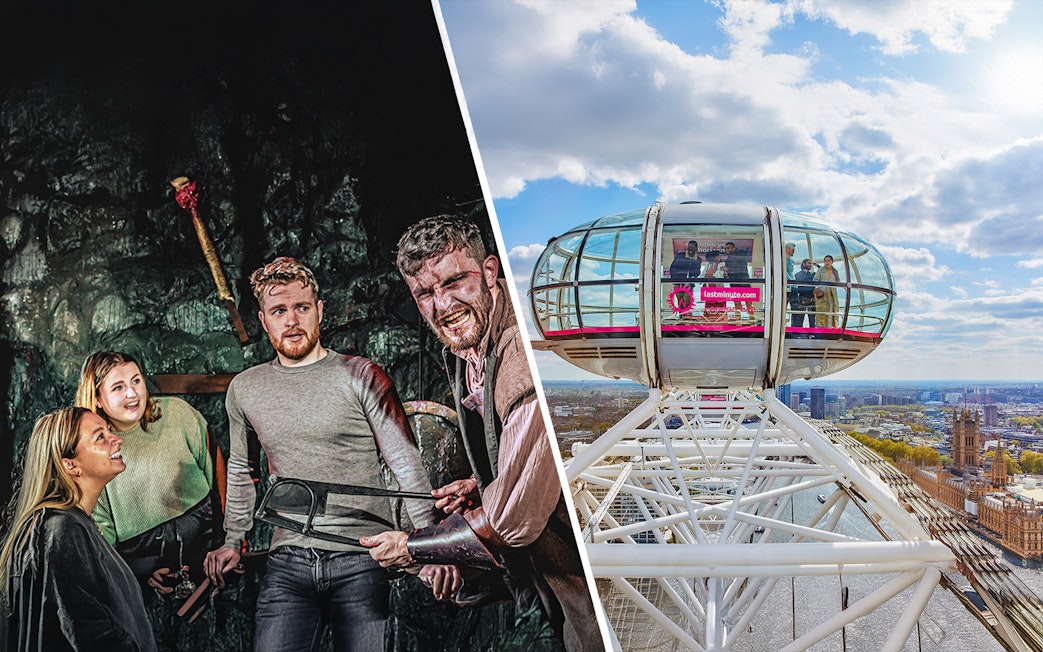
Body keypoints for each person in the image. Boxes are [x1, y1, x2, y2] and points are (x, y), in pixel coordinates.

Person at [361, 216, 602, 652]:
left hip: (590, 584)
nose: (442, 304)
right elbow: (524, 458)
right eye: (425, 293)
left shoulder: (519, 355)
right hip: (553, 574)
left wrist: (418, 548)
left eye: (454, 281)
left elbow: (513, 515)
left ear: (489, 271)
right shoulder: (465, 343)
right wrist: (480, 485)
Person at [203, 256, 438, 652]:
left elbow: (404, 462)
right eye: (279, 311)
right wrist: (233, 540)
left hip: (362, 557)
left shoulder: (361, 374)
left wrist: (429, 547)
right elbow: (242, 470)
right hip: (288, 558)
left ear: (320, 312)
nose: (291, 321)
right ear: (264, 320)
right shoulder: (245, 389)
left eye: (302, 308)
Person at [0, 407, 158, 651]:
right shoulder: (62, 529)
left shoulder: (68, 524)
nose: (117, 439)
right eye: (100, 437)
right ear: (70, 466)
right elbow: (90, 634)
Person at [75, 351, 222, 597]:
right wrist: (139, 573)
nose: (132, 393)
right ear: (97, 398)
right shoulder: (91, 449)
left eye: (136, 381)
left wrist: (230, 538)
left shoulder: (177, 413)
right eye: (118, 387)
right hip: (141, 561)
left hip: (205, 542)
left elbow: (217, 470)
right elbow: (102, 532)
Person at [812, 254, 841, 328]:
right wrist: (817, 288)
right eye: (825, 261)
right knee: (822, 311)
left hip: (832, 294)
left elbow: (838, 281)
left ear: (832, 262)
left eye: (829, 261)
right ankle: (822, 328)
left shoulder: (835, 271)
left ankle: (831, 327)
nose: (827, 262)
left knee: (832, 310)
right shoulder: (820, 270)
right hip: (823, 294)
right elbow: (815, 280)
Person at [791, 258, 816, 328]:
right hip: (802, 297)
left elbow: (822, 273)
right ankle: (799, 333)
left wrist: (817, 265)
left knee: (812, 318)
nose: (810, 265)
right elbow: (803, 281)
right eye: (809, 263)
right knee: (800, 317)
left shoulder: (813, 274)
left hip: (812, 297)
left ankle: (812, 333)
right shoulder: (798, 275)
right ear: (804, 264)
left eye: (811, 264)